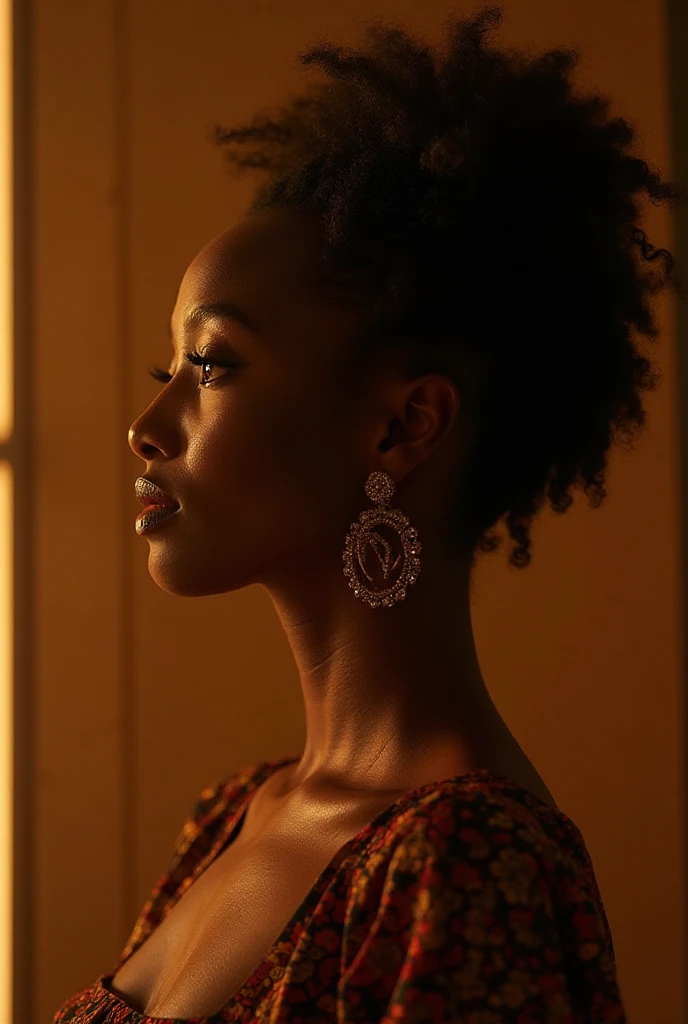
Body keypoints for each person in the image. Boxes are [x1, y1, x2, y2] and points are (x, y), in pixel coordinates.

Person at [54, 4, 685, 1021]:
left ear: (402, 427)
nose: (146, 426)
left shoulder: (466, 866)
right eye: (164, 369)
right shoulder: (231, 815)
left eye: (210, 365)